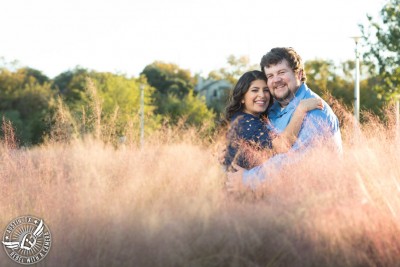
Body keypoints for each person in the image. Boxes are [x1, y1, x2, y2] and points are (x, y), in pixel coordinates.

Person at [226, 47, 343, 192]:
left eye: (281, 72)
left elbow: (295, 162)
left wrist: (247, 179)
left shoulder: (315, 111)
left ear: (299, 74)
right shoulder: (272, 110)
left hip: (310, 202)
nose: (276, 80)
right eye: (270, 75)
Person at [223, 70, 323, 172]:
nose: (262, 95)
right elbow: (282, 145)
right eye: (255, 90)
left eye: (266, 90)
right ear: (242, 98)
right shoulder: (245, 123)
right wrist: (301, 109)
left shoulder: (247, 118)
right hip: (241, 185)